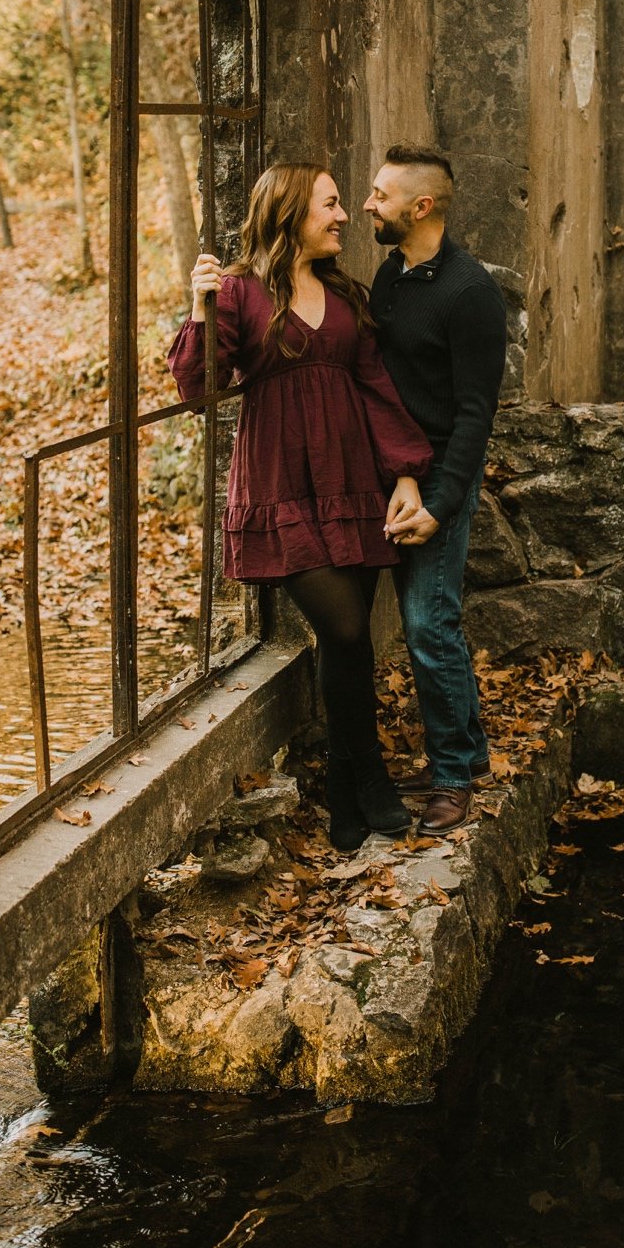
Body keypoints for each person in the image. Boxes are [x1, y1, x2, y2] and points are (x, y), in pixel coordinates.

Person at [168, 162, 434, 851]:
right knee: (343, 629)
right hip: (283, 488)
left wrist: (405, 476)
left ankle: (345, 789)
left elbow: (376, 387)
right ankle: (367, 772)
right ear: (289, 212)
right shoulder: (237, 292)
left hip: (353, 485)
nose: (344, 215)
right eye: (331, 203)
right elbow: (200, 387)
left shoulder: (346, 294)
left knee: (348, 644)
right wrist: (200, 309)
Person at [366, 146, 508, 833]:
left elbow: (476, 413)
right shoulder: (390, 276)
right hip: (397, 472)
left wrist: (440, 501)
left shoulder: (470, 292)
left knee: (429, 622)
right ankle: (467, 752)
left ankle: (452, 775)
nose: (369, 204)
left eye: (380, 194)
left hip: (443, 476)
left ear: (420, 207)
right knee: (427, 621)